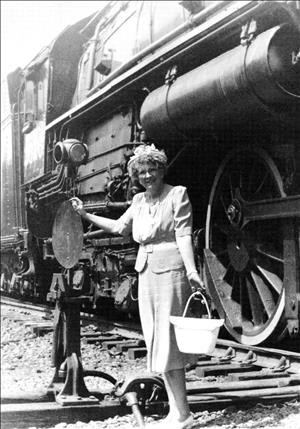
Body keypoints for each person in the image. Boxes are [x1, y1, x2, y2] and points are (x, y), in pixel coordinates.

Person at [71, 144, 204, 429]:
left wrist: (192, 271)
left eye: (152, 170)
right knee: (157, 341)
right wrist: (85, 216)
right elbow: (120, 227)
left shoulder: (176, 194)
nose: (147, 176)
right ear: (135, 175)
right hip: (147, 273)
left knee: (169, 343)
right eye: (141, 172)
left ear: (161, 169)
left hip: (171, 271)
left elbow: (184, 236)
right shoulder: (140, 201)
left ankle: (183, 413)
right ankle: (176, 412)